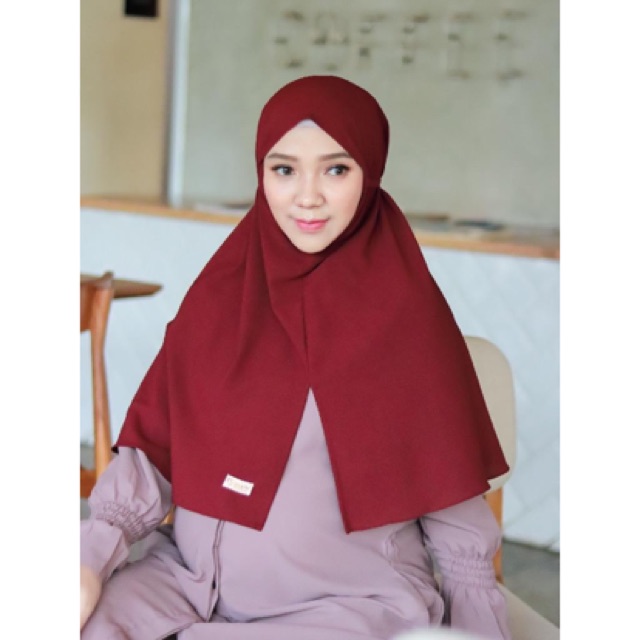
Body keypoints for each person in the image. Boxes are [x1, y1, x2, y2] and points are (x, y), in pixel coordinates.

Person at [80, 75, 512, 640]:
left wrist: (483, 631)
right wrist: (86, 562)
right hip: (185, 585)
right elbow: (152, 455)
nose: (307, 196)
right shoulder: (218, 297)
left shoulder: (408, 319)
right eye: (285, 169)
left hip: (345, 607)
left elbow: (453, 512)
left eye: (336, 170)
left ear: (370, 174)